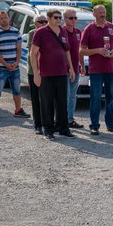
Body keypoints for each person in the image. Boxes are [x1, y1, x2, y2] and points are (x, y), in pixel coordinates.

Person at [30, 8, 76, 140]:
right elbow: (33, 53)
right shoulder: (40, 32)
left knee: (62, 102)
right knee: (47, 102)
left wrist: (71, 68)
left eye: (59, 17)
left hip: (61, 72)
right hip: (46, 73)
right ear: (49, 18)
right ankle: (48, 130)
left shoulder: (62, 31)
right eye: (56, 17)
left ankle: (63, 128)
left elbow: (67, 51)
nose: (58, 19)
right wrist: (36, 74)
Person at [80, 5, 113, 135]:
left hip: (111, 68)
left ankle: (110, 124)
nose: (103, 15)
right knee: (96, 97)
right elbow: (81, 50)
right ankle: (94, 125)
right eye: (100, 13)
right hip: (96, 70)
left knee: (111, 97)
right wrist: (97, 51)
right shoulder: (89, 29)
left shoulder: (112, 27)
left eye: (104, 12)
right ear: (94, 15)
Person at [0, 10, 29, 122]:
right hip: (1, 67)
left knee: (17, 90)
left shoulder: (16, 32)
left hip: (15, 66)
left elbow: (19, 49)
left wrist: (16, 62)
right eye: (1, 18)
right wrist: (6, 64)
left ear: (9, 18)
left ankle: (18, 110)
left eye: (5, 17)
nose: (3, 20)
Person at [27, 15, 48, 134]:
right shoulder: (33, 33)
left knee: (47, 99)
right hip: (33, 71)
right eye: (41, 21)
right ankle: (38, 125)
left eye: (45, 21)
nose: (44, 23)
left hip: (47, 71)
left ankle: (48, 124)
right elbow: (33, 52)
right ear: (35, 23)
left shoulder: (50, 32)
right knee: (36, 99)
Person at [63, 8, 84, 129]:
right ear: (65, 19)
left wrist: (81, 65)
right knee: (65, 95)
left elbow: (79, 51)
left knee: (72, 95)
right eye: (71, 18)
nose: (74, 20)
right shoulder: (61, 31)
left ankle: (70, 119)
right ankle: (63, 119)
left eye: (75, 18)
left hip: (75, 68)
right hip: (63, 69)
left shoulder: (78, 32)